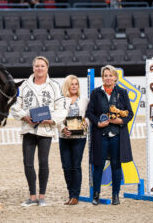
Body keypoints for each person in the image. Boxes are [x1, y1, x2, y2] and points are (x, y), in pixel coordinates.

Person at [10, 56, 66, 207]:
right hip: (28, 129)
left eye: (42, 66)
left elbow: (61, 109)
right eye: (37, 66)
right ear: (33, 68)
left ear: (47, 68)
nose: (40, 68)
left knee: (43, 163)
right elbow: (15, 106)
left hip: (45, 131)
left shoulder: (54, 86)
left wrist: (50, 120)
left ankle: (42, 196)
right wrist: (24, 117)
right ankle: (32, 196)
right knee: (28, 163)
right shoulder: (24, 86)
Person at [85, 65, 134, 206]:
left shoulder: (122, 92)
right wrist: (97, 123)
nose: (108, 78)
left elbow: (129, 113)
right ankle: (96, 195)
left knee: (116, 166)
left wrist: (121, 120)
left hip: (117, 134)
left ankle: (115, 196)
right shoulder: (96, 93)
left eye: (110, 75)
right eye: (105, 75)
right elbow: (90, 113)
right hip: (101, 134)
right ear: (102, 77)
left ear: (115, 77)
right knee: (98, 165)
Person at [58, 75, 89, 206]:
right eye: (72, 84)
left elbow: (90, 115)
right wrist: (62, 128)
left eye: (76, 84)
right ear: (67, 86)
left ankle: (75, 196)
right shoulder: (61, 101)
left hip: (79, 138)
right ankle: (71, 193)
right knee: (66, 167)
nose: (74, 86)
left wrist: (86, 122)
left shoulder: (85, 100)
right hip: (64, 137)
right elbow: (57, 117)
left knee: (76, 166)